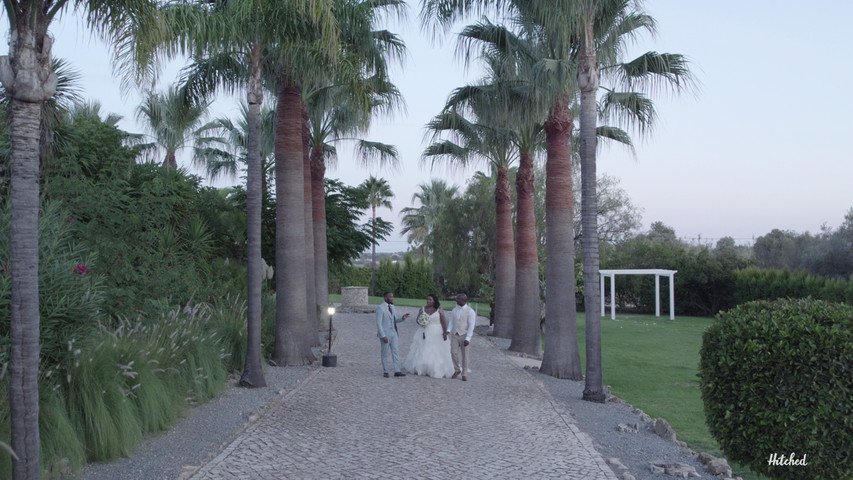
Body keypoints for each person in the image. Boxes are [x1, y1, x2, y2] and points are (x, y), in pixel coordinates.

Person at [404, 294, 454, 378]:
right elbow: (417, 320)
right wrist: (421, 323)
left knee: (435, 349)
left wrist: (445, 333)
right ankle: (422, 367)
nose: (428, 301)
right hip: (424, 331)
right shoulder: (422, 309)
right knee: (422, 348)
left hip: (436, 331)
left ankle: (435, 368)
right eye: (427, 299)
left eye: (430, 300)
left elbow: (443, 322)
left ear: (434, 300)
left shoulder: (439, 310)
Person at [376, 291, 410, 377]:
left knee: (395, 351)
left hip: (394, 333)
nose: (392, 298)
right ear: (385, 298)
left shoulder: (392, 307)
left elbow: (394, 320)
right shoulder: (380, 308)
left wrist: (402, 318)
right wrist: (383, 335)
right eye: (390, 297)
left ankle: (397, 370)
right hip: (385, 334)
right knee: (384, 353)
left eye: (392, 297)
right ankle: (385, 371)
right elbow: (379, 324)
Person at [445, 293, 476, 381]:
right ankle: (457, 369)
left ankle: (464, 373)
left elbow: (471, 326)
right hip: (455, 334)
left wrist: (468, 338)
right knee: (453, 353)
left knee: (465, 355)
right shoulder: (454, 310)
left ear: (463, 300)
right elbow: (451, 322)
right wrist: (448, 330)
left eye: (458, 299)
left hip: (464, 335)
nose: (456, 300)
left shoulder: (470, 311)